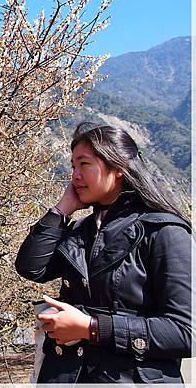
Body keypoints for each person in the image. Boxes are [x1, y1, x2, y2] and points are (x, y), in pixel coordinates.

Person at [15, 122, 192, 384]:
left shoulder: (163, 232)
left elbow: (186, 332)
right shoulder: (80, 230)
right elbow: (31, 267)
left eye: (84, 164)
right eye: (73, 166)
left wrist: (91, 328)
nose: (74, 175)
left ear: (118, 167)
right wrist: (61, 210)